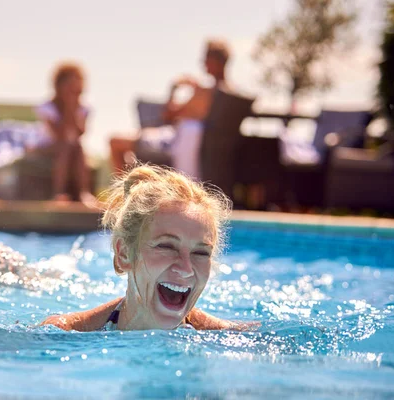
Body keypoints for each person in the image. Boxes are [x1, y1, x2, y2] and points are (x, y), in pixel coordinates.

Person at [41, 164, 250, 332]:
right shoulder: (65, 333)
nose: (186, 269)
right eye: (167, 246)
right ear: (124, 254)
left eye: (201, 252)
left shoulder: (230, 339)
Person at [109, 39, 231, 179]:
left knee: (115, 142)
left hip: (174, 143)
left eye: (206, 59)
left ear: (214, 61)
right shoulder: (232, 93)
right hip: (200, 148)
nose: (203, 63)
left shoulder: (204, 93)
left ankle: (126, 195)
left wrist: (175, 86)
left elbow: (168, 114)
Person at [35, 62, 98, 207]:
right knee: (66, 147)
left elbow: (80, 133)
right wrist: (68, 108)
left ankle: (83, 192)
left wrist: (73, 108)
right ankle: (59, 192)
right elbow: (59, 135)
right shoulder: (47, 107)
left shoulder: (84, 109)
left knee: (77, 146)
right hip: (45, 147)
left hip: (71, 148)